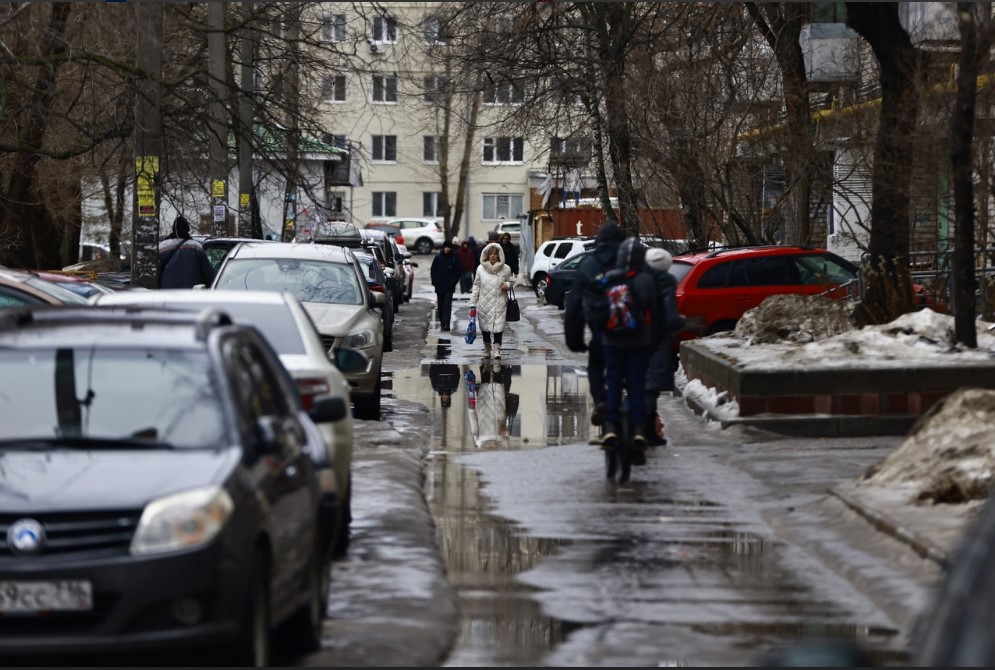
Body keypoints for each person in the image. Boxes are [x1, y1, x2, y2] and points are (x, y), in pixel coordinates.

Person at [563, 221, 626, 443]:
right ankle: (640, 425)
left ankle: (600, 400)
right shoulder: (631, 260)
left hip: (601, 329)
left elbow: (575, 305)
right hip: (633, 330)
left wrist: (575, 340)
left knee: (597, 364)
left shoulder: (589, 264)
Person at [600, 237, 657, 454]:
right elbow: (653, 310)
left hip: (612, 340)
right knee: (636, 383)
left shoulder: (609, 278)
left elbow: (599, 308)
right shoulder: (646, 280)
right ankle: (639, 429)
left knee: (613, 382)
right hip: (638, 341)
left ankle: (611, 427)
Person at [643, 248, 686, 446]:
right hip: (657, 341)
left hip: (631, 341)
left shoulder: (635, 280)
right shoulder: (665, 284)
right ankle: (645, 432)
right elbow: (669, 318)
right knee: (650, 388)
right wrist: (681, 322)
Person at [470, 241, 514, 360]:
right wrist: (472, 303)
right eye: (491, 254)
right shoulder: (480, 269)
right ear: (487, 255)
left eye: (495, 254)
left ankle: (497, 350)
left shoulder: (506, 269)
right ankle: (487, 348)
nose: (493, 256)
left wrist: (507, 285)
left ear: (500, 255)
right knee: (485, 327)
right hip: (484, 302)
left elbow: (511, 282)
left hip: (499, 302)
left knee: (498, 327)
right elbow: (476, 286)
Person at [157, 215, 214, 289]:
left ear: (173, 229)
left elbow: (157, 274)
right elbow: (208, 274)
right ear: (187, 229)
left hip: (168, 294)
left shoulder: (162, 247)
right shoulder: (196, 247)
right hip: (192, 294)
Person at [468, 362, 511, 449]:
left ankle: (486, 360)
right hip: (498, 408)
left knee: (485, 381)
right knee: (497, 380)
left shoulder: (479, 441)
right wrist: (505, 432)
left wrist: (471, 410)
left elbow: (474, 425)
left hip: (484, 408)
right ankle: (496, 362)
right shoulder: (501, 443)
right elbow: (507, 437)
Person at [430, 239, 462, 331]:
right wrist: (434, 281)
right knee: (441, 305)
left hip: (449, 286)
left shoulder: (454, 258)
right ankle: (442, 322)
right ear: (443, 248)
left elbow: (458, 271)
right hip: (439, 285)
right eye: (446, 247)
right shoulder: (438, 258)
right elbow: (433, 270)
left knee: (447, 304)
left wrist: (453, 281)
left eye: (449, 247)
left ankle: (446, 323)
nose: (447, 249)